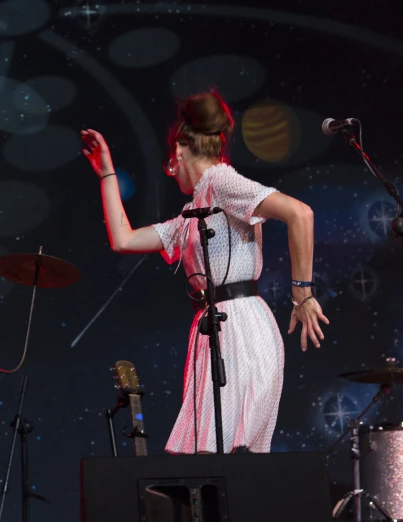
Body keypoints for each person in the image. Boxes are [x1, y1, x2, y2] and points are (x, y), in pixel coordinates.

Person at [81, 91, 329, 454]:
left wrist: (302, 295)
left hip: (241, 327)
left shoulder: (221, 182)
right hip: (215, 327)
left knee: (217, 454)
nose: (171, 171)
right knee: (210, 457)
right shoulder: (193, 210)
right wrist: (106, 173)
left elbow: (300, 214)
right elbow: (123, 238)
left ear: (179, 151)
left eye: (170, 163)